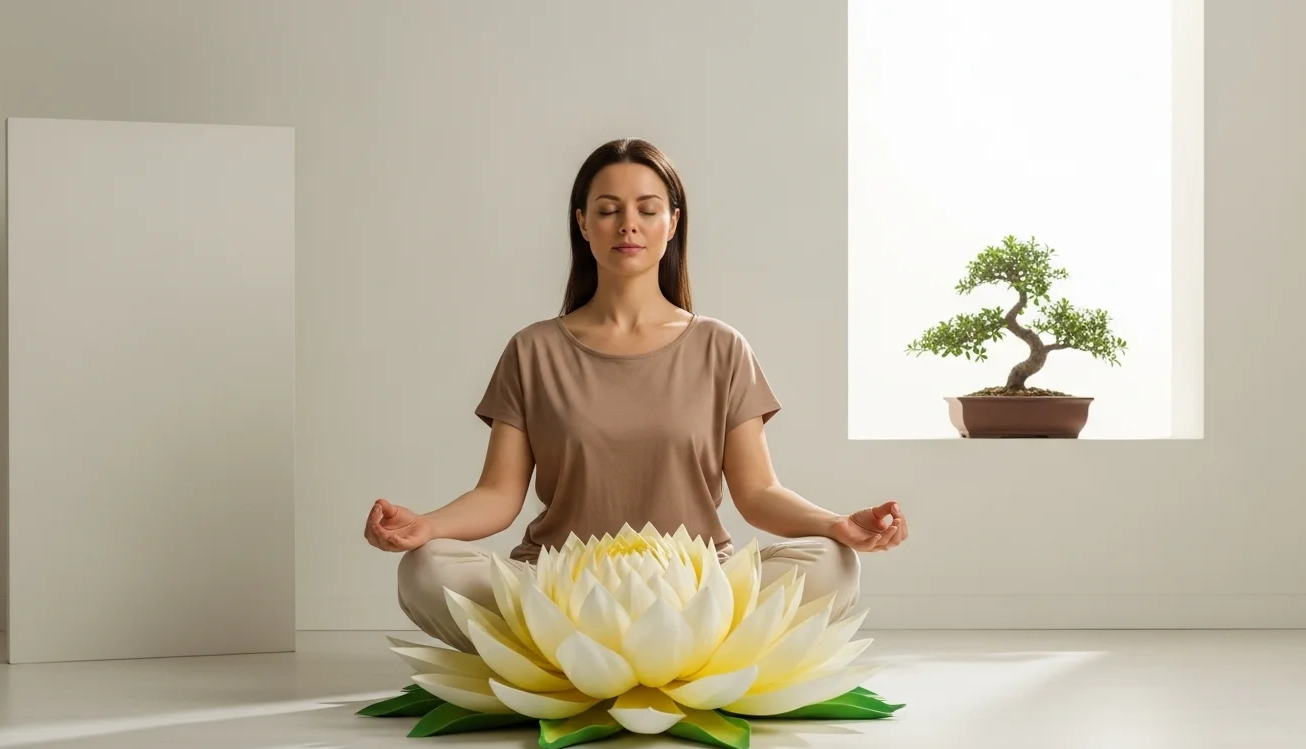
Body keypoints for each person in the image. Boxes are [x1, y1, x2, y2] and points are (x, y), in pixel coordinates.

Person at [363, 138, 908, 653]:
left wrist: (835, 524)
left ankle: (583, 651)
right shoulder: (533, 350)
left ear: (673, 222)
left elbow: (758, 492)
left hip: (694, 587)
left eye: (648, 209)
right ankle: (667, 649)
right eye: (607, 209)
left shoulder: (721, 347)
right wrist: (427, 526)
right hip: (560, 585)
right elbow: (499, 496)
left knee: (831, 564)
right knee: (425, 569)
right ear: (582, 223)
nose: (629, 224)